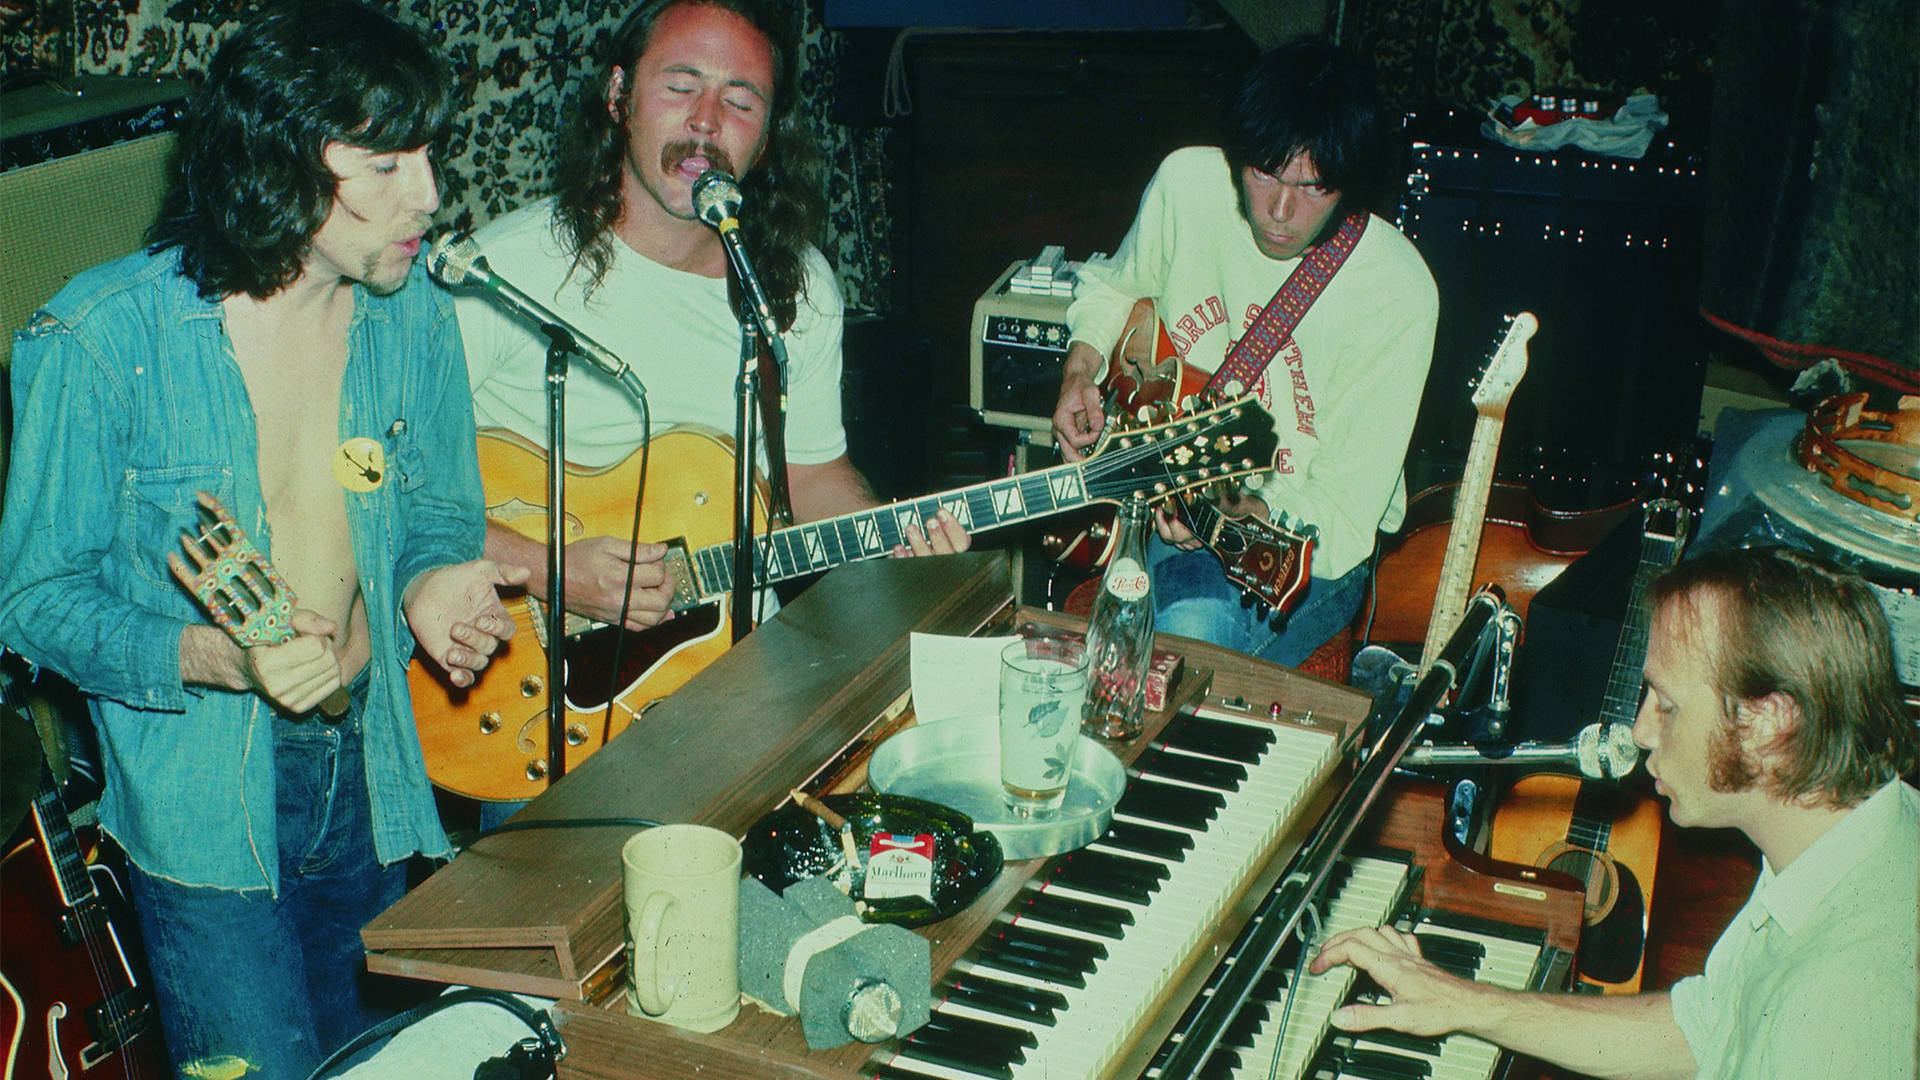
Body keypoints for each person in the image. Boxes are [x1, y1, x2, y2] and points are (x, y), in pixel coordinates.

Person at [0, 3, 527, 1076]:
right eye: (383, 165)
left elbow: (432, 507)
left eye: (428, 155)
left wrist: (427, 582)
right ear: (279, 160)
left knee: (386, 1066)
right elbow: (31, 600)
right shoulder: (96, 341)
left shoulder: (412, 308)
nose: (428, 195)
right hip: (206, 800)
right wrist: (219, 657)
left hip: (374, 772)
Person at [1312, 545, 1920, 1079]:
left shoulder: (1853, 1003)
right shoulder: (1839, 843)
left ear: (1767, 723)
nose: (1640, 730)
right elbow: (1706, 1027)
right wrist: (1466, 1004)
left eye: (1667, 703)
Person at [460, 0, 968, 637]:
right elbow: (388, 481)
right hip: (521, 688)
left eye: (741, 100)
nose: (705, 122)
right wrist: (543, 568)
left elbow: (808, 473)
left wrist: (891, 540)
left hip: (734, 663)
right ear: (619, 96)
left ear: (768, 131)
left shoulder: (796, 284)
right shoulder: (502, 270)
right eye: (680, 87)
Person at [1051, 37, 1437, 667]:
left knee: (1183, 638)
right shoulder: (1187, 183)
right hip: (1160, 500)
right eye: (1263, 173)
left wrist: (1233, 515)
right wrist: (1080, 368)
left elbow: (1340, 511)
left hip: (1299, 551)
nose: (1281, 212)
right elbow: (1113, 285)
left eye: (1314, 187)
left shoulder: (1397, 290)